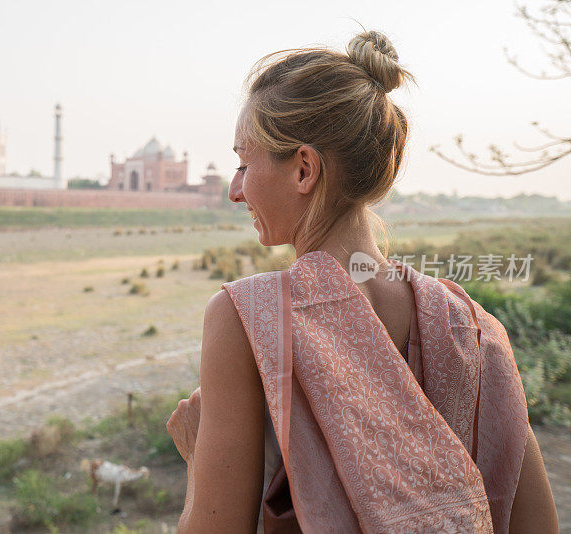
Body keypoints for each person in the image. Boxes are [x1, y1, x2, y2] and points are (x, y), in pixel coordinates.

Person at [165, 29, 558, 533]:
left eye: (244, 163)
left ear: (304, 168)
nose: (234, 190)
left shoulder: (250, 318)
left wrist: (199, 462)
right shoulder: (473, 326)